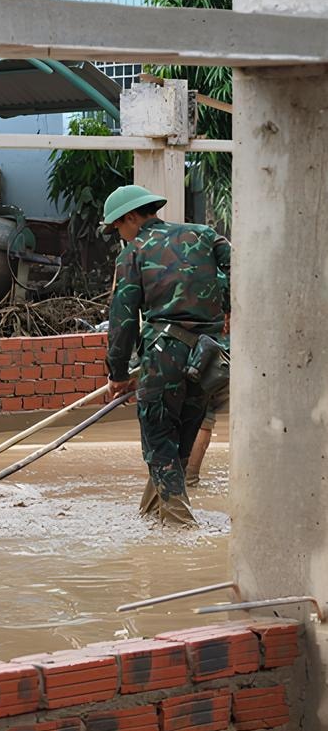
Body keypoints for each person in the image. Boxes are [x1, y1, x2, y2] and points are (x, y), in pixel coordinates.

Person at [102, 184, 231, 527]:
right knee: (178, 446)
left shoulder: (134, 252)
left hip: (164, 355)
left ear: (131, 218)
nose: (120, 235)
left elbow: (123, 320)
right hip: (210, 357)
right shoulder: (205, 235)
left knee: (159, 442)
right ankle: (150, 516)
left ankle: (179, 531)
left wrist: (117, 374)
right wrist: (226, 309)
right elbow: (240, 271)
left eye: (118, 227)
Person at [186, 330, 229, 488]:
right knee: (205, 417)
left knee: (202, 417)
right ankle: (190, 479)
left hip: (199, 355)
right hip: (219, 357)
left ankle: (187, 479)